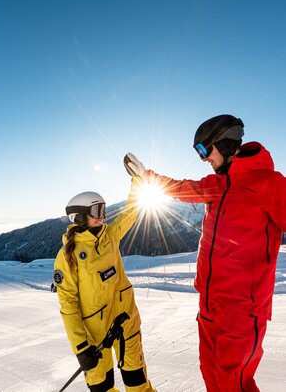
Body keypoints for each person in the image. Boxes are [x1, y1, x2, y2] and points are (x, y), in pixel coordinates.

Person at [124, 114, 286, 392]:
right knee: (210, 373)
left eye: (204, 150)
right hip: (209, 305)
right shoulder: (218, 185)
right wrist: (146, 177)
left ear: (223, 143)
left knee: (233, 380)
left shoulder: (269, 183)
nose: (203, 159)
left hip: (243, 308)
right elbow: (183, 188)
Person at [53, 175, 156, 392]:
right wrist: (81, 349)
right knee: (102, 388)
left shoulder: (110, 235)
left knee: (136, 380)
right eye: (97, 211)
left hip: (125, 320)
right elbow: (68, 305)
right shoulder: (68, 256)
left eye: (103, 210)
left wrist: (137, 182)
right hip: (93, 335)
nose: (103, 217)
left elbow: (130, 213)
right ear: (81, 217)